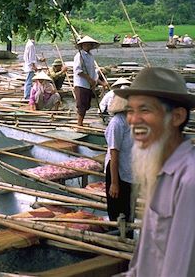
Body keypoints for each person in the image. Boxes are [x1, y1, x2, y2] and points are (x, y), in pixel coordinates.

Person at [115, 67, 195, 276]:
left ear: (177, 117)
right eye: (130, 111)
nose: (133, 120)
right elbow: (145, 259)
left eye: (145, 110)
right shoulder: (158, 172)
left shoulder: (189, 181)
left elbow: (180, 269)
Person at [103, 95, 133, 223]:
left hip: (129, 170)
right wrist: (115, 183)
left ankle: (128, 237)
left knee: (128, 210)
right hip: (117, 171)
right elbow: (114, 153)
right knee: (117, 212)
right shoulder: (117, 122)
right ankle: (116, 237)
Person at [73, 35, 107, 126]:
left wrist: (97, 82)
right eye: (86, 45)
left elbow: (93, 71)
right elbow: (78, 71)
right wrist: (89, 79)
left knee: (87, 105)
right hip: (81, 84)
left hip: (88, 84)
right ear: (82, 45)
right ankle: (79, 124)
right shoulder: (79, 55)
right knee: (81, 105)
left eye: (90, 45)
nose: (88, 46)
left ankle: (81, 122)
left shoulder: (90, 56)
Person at [22, 35, 38, 99]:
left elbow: (33, 55)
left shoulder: (29, 44)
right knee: (29, 82)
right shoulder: (31, 45)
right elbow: (31, 57)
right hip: (30, 67)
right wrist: (34, 66)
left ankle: (28, 94)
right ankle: (27, 96)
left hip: (28, 66)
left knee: (29, 81)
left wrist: (39, 59)